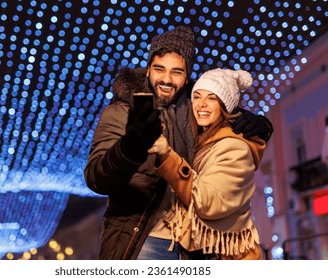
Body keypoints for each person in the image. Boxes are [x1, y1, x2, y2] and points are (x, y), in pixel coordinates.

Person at [84, 26, 273, 260]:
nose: (166, 79)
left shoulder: (196, 108)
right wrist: (129, 147)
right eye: (159, 69)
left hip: (195, 244)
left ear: (186, 77)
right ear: (148, 70)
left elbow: (228, 114)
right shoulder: (121, 112)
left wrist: (262, 124)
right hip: (144, 237)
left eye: (176, 72)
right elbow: (96, 178)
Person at [148, 68, 266, 260]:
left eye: (212, 98)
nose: (201, 104)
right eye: (197, 96)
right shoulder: (203, 141)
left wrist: (168, 157)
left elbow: (207, 202)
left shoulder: (234, 147)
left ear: (225, 106)